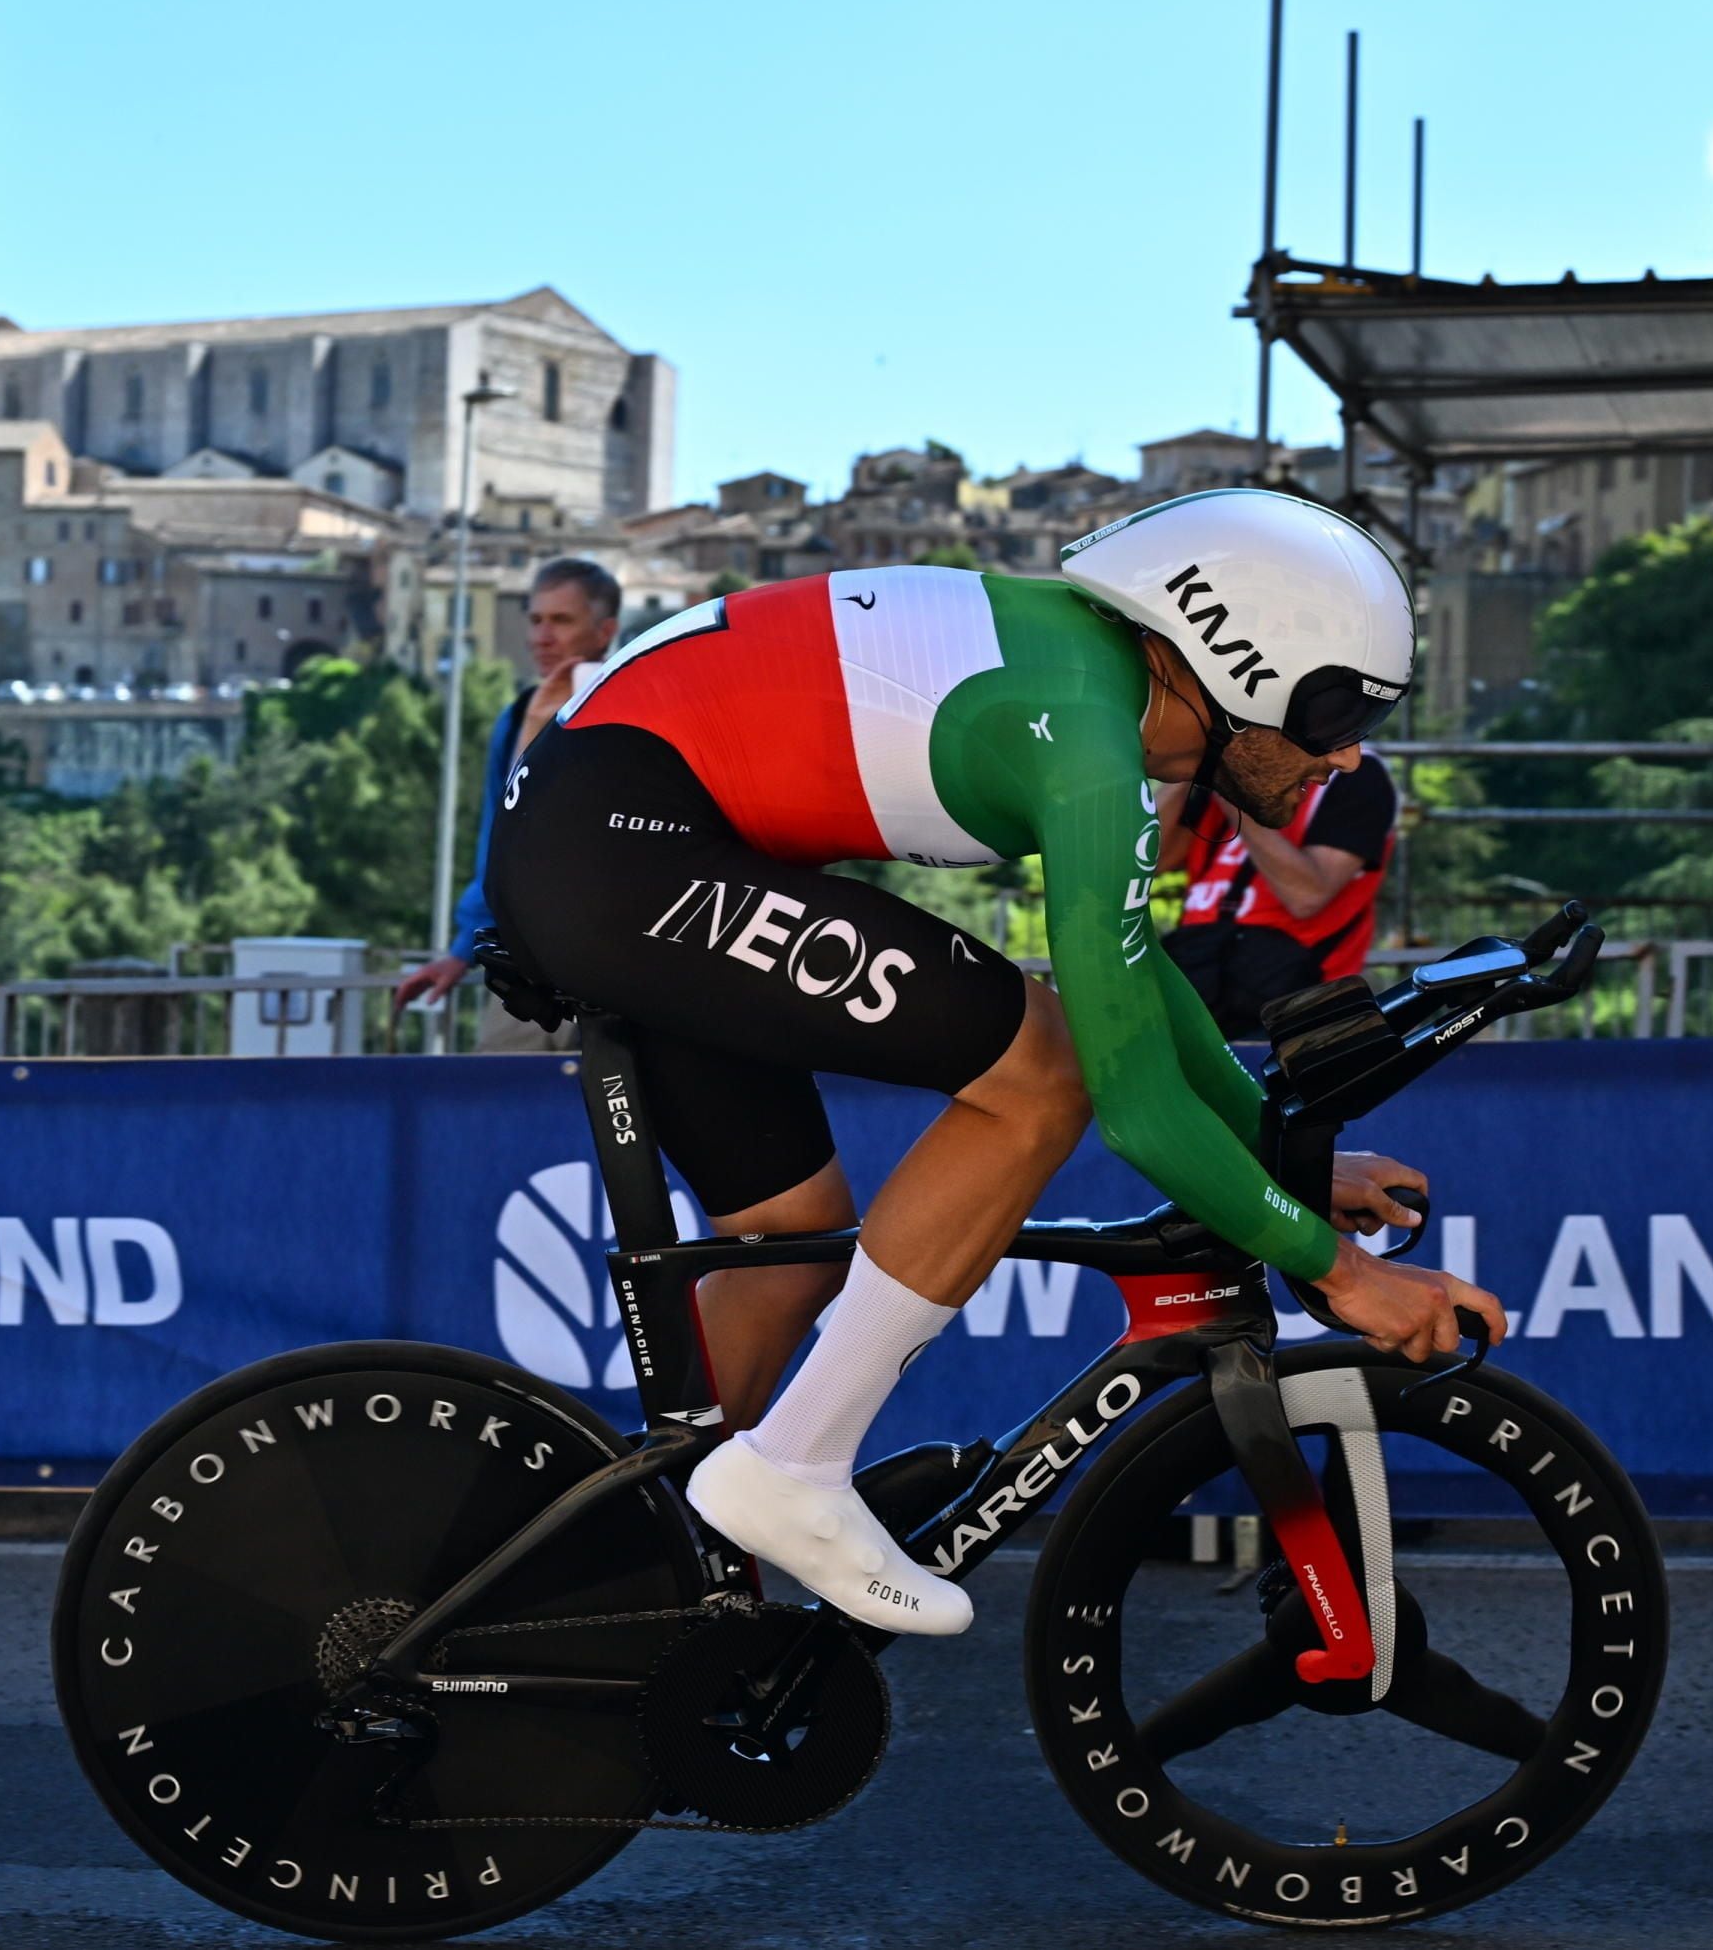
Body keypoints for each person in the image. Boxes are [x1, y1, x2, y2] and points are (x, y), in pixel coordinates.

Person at [484, 487, 1502, 1637]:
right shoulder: (1080, 733)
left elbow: (1137, 989)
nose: (1349, 752)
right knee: (1040, 1078)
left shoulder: (1085, 688)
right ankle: (795, 1469)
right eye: (1332, 715)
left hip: (610, 839)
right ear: (1240, 669)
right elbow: (1127, 1098)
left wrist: (1281, 1159)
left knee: (788, 1247)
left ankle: (612, 1582)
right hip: (623, 848)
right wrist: (1344, 1276)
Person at [391, 557, 623, 1051]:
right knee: (505, 1112)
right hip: (531, 968)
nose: (542, 636)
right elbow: (499, 841)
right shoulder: (520, 714)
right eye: (536, 619)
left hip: (632, 964)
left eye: (561, 621)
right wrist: (462, 950)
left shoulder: (648, 706)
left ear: (606, 630)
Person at [1155, 743, 1399, 1038]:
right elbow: (1150, 860)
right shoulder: (1233, 768)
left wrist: (1234, 797)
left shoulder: (1358, 773)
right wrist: (1190, 767)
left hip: (1294, 994)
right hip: (1197, 969)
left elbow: (1307, 897)